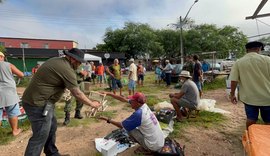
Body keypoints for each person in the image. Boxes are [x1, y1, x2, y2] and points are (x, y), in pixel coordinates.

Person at [22, 48, 101, 156]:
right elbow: (77, 93)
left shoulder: (58, 61)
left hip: (44, 103)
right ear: (73, 59)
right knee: (40, 136)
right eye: (79, 62)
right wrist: (92, 104)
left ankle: (52, 153)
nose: (79, 65)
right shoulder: (66, 68)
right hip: (38, 104)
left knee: (51, 127)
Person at [98, 92, 164, 153]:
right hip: (160, 141)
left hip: (153, 146)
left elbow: (122, 125)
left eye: (132, 101)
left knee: (129, 129)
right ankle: (148, 146)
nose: (130, 102)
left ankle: (147, 149)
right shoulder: (143, 105)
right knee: (133, 126)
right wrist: (108, 93)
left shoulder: (139, 114)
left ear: (138, 103)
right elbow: (123, 99)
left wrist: (107, 119)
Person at [229, 41, 270, 129]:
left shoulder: (239, 62)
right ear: (259, 49)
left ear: (247, 50)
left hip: (249, 98)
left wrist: (232, 94)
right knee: (268, 121)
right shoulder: (268, 60)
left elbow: (234, 80)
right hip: (267, 97)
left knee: (251, 119)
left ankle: (250, 138)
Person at [0, 51, 24, 136]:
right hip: (9, 92)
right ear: (2, 57)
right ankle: (15, 130)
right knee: (12, 111)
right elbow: (21, 74)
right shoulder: (8, 65)